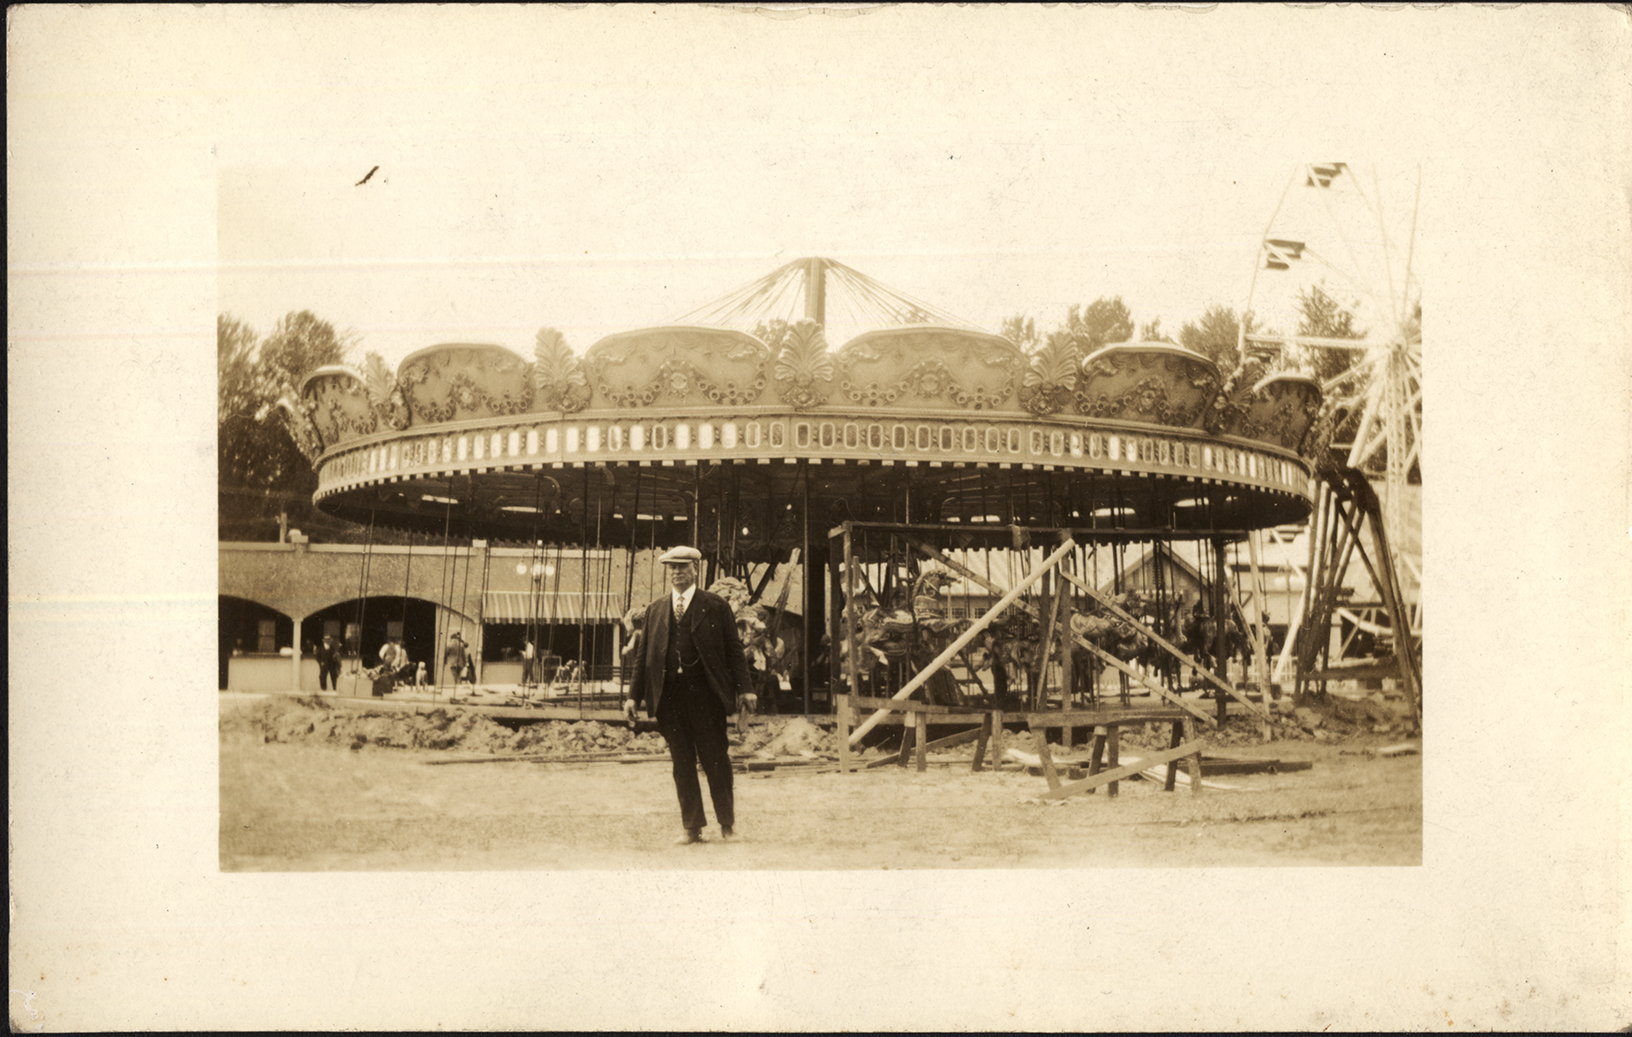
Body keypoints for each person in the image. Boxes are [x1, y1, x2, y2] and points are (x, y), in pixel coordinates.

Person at [624, 546, 756, 845]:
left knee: (716, 761)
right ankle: (692, 828)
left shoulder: (716, 605)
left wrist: (746, 688)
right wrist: (633, 697)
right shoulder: (656, 609)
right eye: (672, 568)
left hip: (706, 697)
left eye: (683, 567)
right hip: (670, 699)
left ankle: (727, 824)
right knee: (681, 764)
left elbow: (734, 651)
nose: (677, 572)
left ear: (695, 569)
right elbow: (644, 657)